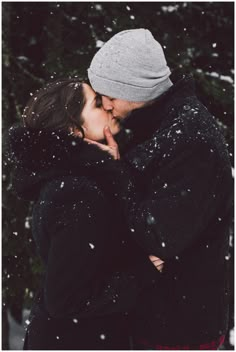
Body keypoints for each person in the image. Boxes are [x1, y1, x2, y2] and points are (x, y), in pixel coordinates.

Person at [86, 28, 233, 349]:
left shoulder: (190, 140)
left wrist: (114, 171)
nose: (106, 106)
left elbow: (159, 235)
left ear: (135, 89)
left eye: (109, 96)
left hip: (177, 327)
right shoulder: (160, 126)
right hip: (156, 318)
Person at [6, 78, 161, 350]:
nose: (110, 108)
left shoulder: (78, 179)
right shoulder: (76, 193)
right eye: (98, 104)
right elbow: (64, 299)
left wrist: (114, 168)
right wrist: (141, 274)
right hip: (75, 341)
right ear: (72, 130)